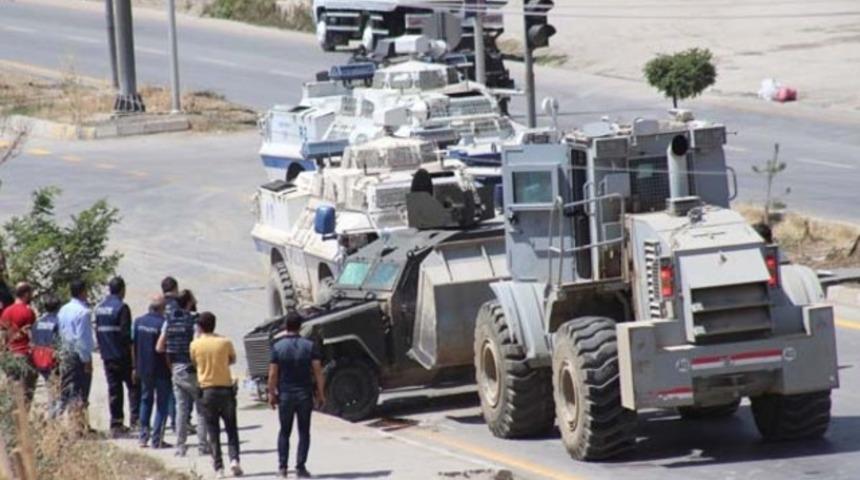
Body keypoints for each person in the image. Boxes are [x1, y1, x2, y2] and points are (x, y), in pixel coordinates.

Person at [267, 314, 325, 479]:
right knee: (304, 431)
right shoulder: (309, 346)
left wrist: (271, 393)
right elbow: (318, 372)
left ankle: (282, 468)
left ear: (286, 326)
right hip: (304, 394)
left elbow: (273, 374)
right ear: (300, 327)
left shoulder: (277, 347)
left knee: (284, 431)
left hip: (285, 395)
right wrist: (321, 394)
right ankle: (300, 467)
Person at [191, 312, 243, 478]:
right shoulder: (225, 341)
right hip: (225, 389)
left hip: (207, 390)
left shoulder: (195, 344)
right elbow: (232, 359)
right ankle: (234, 460)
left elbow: (194, 362)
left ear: (199, 327)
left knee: (213, 430)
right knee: (231, 428)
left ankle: (219, 467)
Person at [156, 289, 207, 457]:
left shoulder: (168, 321)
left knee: (181, 409)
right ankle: (202, 445)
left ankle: (180, 447)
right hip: (191, 368)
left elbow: (159, 347)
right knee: (200, 408)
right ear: (189, 303)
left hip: (176, 368)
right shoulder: (193, 322)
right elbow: (198, 346)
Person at [95, 276, 140, 437]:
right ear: (122, 290)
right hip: (122, 356)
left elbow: (98, 331)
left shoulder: (100, 308)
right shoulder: (122, 308)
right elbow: (126, 335)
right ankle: (136, 421)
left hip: (107, 356)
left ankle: (116, 423)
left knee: (114, 390)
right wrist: (134, 361)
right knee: (134, 387)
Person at [134, 295, 172, 449]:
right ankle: (157, 439)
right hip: (161, 369)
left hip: (143, 368)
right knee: (162, 405)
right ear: (163, 308)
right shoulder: (163, 324)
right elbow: (166, 349)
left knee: (145, 401)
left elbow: (133, 345)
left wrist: (135, 366)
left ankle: (143, 437)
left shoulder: (139, 322)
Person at [57, 280, 95, 416]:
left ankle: (58, 420)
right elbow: (82, 338)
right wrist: (87, 360)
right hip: (78, 355)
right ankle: (79, 425)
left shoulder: (63, 309)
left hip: (65, 352)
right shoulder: (83, 312)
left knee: (66, 389)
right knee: (81, 390)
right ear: (82, 292)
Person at [0, 282, 39, 403]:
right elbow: (32, 335)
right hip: (24, 355)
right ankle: (23, 419)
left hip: (10, 355)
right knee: (26, 393)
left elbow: (2, 334)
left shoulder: (6, 312)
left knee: (13, 392)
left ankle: (14, 418)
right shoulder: (28, 312)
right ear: (26, 294)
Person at [30, 293, 62, 414]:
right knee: (57, 392)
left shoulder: (37, 323)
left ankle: (52, 416)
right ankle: (54, 418)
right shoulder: (58, 322)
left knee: (50, 389)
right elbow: (60, 341)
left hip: (39, 359)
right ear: (58, 307)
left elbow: (34, 340)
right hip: (53, 359)